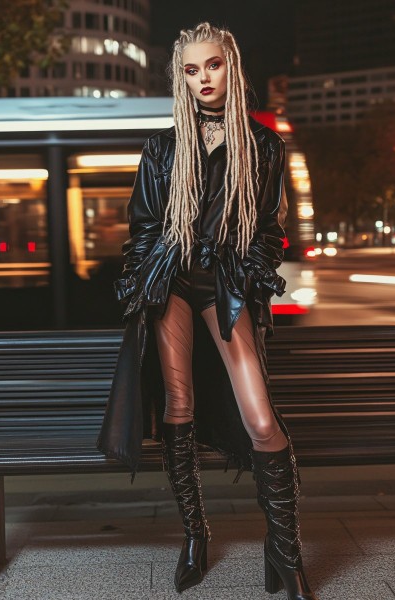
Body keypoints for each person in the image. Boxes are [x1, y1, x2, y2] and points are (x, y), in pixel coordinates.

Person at [96, 21, 318, 600]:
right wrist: (140, 279)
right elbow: (143, 227)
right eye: (191, 70)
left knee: (262, 420)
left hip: (227, 286)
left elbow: (271, 229)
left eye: (212, 65)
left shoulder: (262, 145)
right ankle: (195, 535)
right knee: (179, 404)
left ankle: (285, 553)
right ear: (181, 77)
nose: (203, 79)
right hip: (171, 283)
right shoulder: (164, 146)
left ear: (231, 66)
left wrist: (256, 272)